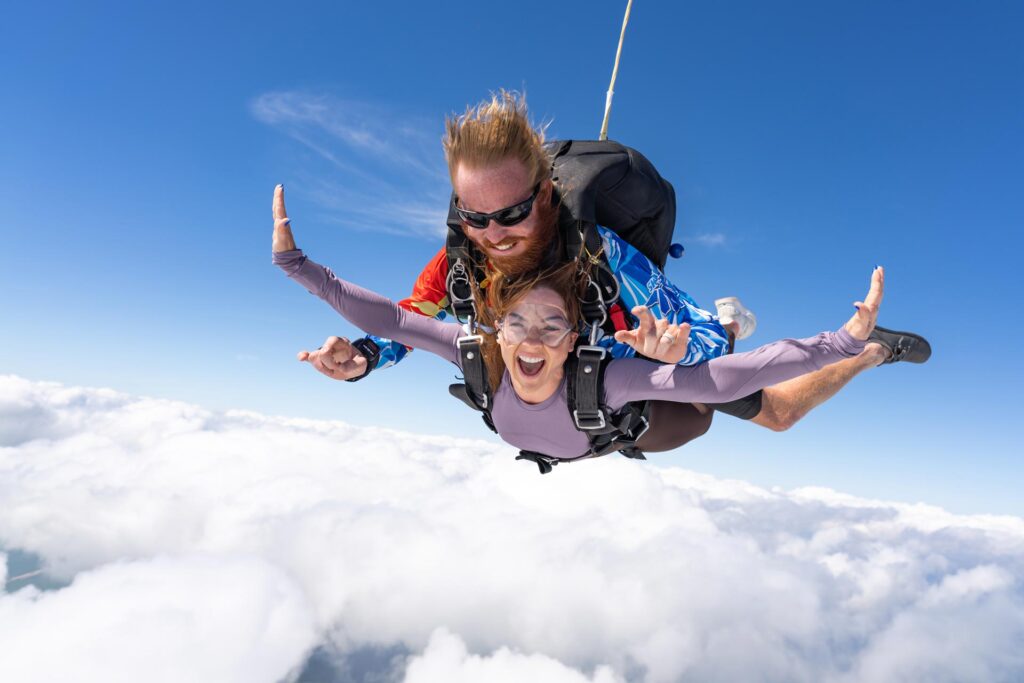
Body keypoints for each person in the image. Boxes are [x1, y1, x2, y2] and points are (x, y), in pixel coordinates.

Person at [272, 184, 885, 465]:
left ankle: (865, 353)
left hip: (632, 380)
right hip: (577, 403)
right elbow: (405, 321)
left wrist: (683, 351)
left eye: (512, 215)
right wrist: (365, 355)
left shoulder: (605, 256)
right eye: (477, 219)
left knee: (776, 413)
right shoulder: (461, 269)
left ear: (539, 203)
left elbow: (708, 359)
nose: (495, 234)